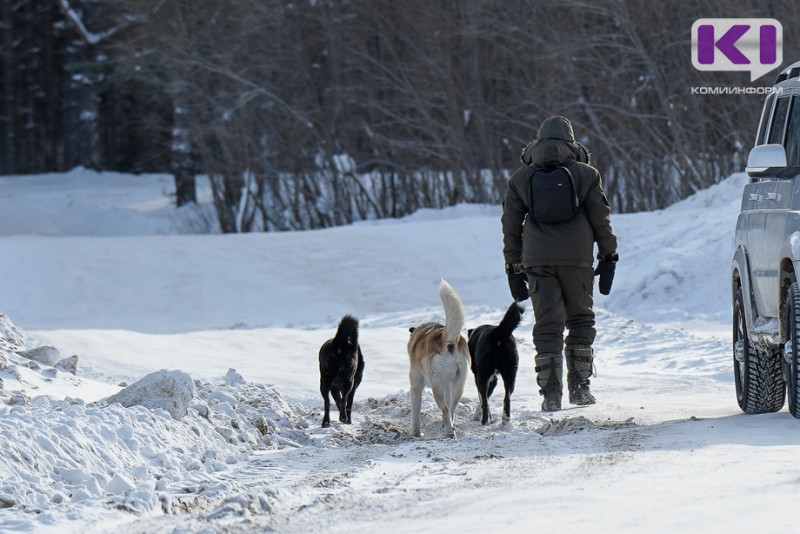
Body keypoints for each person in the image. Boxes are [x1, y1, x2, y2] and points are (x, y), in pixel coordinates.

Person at [501, 115, 618, 412]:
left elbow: (511, 227)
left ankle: (550, 394)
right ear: (571, 142)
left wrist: (513, 267)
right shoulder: (586, 174)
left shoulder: (520, 178)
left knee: (547, 325)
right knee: (580, 320)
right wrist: (608, 257)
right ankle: (580, 389)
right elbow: (601, 220)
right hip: (577, 259)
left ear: (538, 142)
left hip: (537, 260)